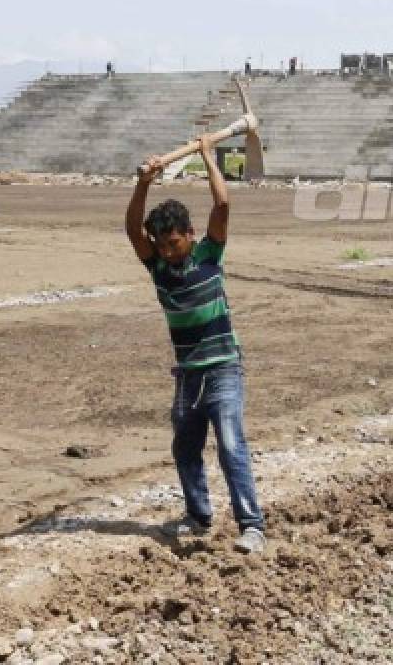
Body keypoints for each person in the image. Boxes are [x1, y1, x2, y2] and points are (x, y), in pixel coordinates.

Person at [125, 134, 266, 555]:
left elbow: (222, 207)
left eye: (175, 243)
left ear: (190, 234)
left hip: (223, 367)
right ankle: (198, 514)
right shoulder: (159, 270)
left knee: (229, 443)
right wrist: (144, 184)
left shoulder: (209, 256)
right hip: (188, 374)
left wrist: (208, 156)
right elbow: (132, 230)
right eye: (162, 245)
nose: (169, 251)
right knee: (185, 447)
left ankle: (252, 525)